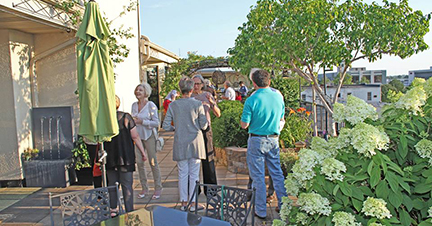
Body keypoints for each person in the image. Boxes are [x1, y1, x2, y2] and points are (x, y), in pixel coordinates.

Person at [240, 69, 287, 219]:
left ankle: (260, 210)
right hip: (273, 140)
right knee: (277, 174)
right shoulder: (278, 98)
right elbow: (281, 118)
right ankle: (284, 206)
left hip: (256, 140)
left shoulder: (252, 100)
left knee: (258, 177)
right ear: (269, 81)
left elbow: (244, 125)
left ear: (254, 83)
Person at [162, 77, 208, 211]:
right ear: (192, 89)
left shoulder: (173, 105)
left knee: (182, 173)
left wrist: (176, 128)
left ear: (180, 89)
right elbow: (204, 125)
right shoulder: (198, 104)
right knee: (194, 174)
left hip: (180, 141)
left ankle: (183, 203)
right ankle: (193, 203)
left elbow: (165, 126)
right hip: (195, 141)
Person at [105, 95, 147, 214]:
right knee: (127, 185)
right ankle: (129, 211)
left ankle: (113, 209)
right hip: (125, 156)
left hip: (110, 155)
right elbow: (135, 136)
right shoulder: (126, 117)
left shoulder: (104, 118)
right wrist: (143, 152)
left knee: (112, 184)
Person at [131, 83, 163, 199]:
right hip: (138, 137)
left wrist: (143, 122)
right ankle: (144, 188)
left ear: (146, 93)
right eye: (137, 90)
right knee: (139, 162)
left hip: (149, 136)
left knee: (153, 162)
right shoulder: (134, 105)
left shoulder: (151, 105)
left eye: (140, 90)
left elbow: (156, 123)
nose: (138, 92)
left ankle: (158, 187)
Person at [191, 74, 220, 193]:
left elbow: (218, 114)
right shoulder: (189, 97)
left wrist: (211, 103)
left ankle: (211, 190)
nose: (196, 86)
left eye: (198, 83)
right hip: (192, 131)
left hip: (206, 130)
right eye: (194, 84)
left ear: (203, 84)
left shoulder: (206, 96)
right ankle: (194, 190)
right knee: (193, 161)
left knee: (208, 159)